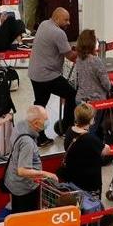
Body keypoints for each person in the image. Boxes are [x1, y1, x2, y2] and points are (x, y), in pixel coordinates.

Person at [31, 8, 79, 137]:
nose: (68, 22)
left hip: (35, 73)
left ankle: (39, 136)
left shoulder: (44, 24)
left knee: (40, 103)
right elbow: (71, 56)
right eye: (66, 20)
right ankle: (67, 127)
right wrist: (83, 51)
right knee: (71, 94)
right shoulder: (58, 33)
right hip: (48, 75)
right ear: (57, 19)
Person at [4, 107, 59, 213]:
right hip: (24, 188)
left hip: (13, 181)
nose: (47, 122)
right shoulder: (27, 142)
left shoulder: (20, 125)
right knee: (26, 217)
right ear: (36, 123)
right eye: (45, 119)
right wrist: (46, 174)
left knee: (17, 213)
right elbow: (22, 170)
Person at [61, 104, 113, 195]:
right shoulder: (90, 139)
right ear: (91, 120)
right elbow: (106, 150)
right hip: (89, 182)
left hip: (73, 178)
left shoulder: (69, 130)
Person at [73, 29, 113, 113]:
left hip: (80, 100)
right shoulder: (96, 60)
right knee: (94, 125)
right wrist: (111, 85)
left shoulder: (79, 59)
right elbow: (106, 84)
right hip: (96, 102)